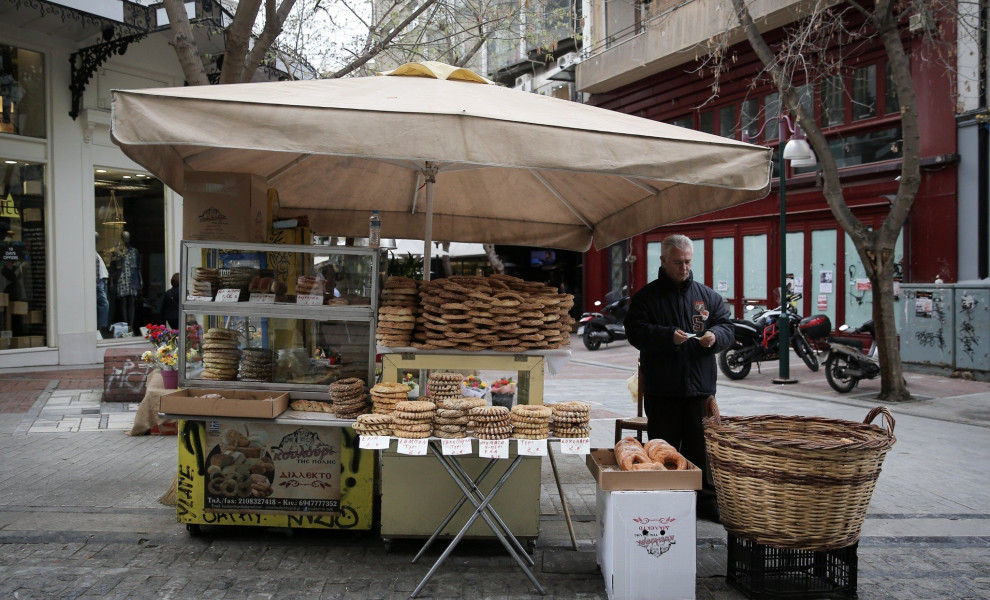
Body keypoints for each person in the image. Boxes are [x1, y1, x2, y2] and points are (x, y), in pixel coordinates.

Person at [623, 234, 733, 522]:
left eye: (687, 262)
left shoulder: (707, 296)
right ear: (663, 261)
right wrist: (667, 336)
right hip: (663, 390)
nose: (684, 267)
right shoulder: (647, 297)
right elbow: (635, 331)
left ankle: (707, 502)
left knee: (702, 448)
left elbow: (726, 327)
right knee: (663, 448)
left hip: (700, 389)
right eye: (677, 262)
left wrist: (715, 336)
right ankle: (665, 499)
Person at [95, 233, 110, 337]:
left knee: (103, 304)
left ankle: (101, 327)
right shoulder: (91, 252)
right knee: (104, 304)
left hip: (102, 280)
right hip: (99, 281)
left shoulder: (94, 252)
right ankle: (102, 328)